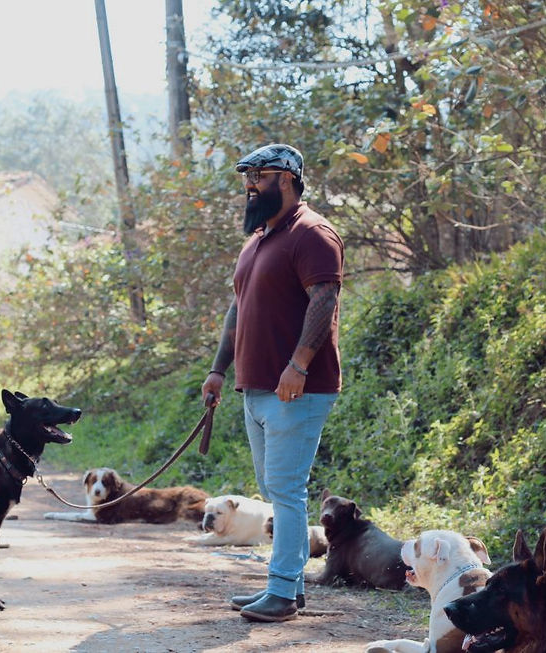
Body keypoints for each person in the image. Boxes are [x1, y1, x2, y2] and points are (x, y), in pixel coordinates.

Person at [201, 143, 344, 623]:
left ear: (286, 179)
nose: (249, 186)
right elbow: (238, 308)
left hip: (296, 388)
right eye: (247, 177)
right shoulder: (260, 238)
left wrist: (298, 365)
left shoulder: (313, 234)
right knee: (275, 488)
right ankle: (290, 587)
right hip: (256, 387)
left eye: (258, 177)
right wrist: (219, 370)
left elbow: (324, 300)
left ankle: (281, 592)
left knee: (285, 489)